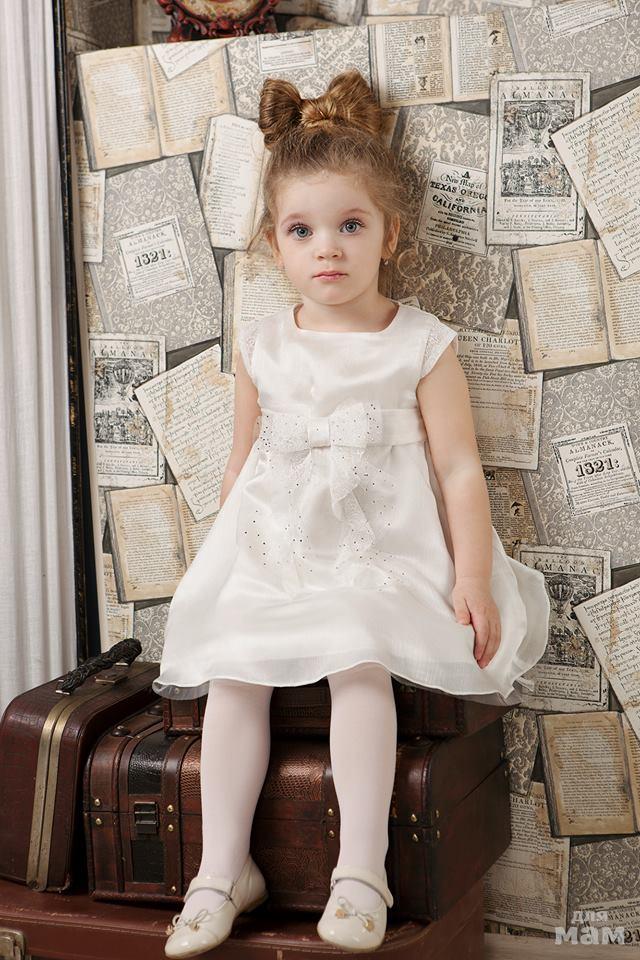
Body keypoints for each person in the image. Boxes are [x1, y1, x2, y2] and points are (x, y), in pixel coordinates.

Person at [158, 69, 551, 959]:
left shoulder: (419, 343)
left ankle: (361, 871)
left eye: (350, 225)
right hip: (276, 550)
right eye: (302, 230)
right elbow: (242, 464)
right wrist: (220, 563)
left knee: (360, 660)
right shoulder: (264, 344)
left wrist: (474, 576)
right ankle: (221, 871)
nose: (327, 249)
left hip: (380, 554)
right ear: (274, 243)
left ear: (389, 234)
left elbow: (458, 468)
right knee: (234, 670)